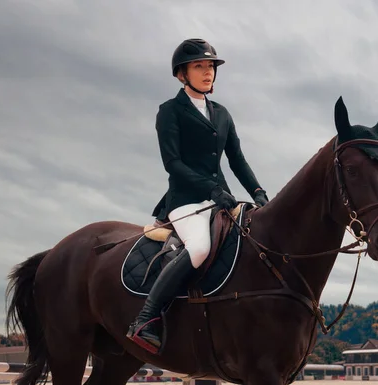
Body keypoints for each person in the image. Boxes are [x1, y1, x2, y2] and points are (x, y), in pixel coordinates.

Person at [126, 38, 269, 352]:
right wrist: (212, 190)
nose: (207, 73)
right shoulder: (170, 112)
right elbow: (173, 164)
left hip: (222, 199)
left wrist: (258, 192)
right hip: (186, 200)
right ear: (182, 74)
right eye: (199, 66)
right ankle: (147, 317)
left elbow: (237, 159)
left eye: (210, 67)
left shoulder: (222, 114)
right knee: (201, 248)